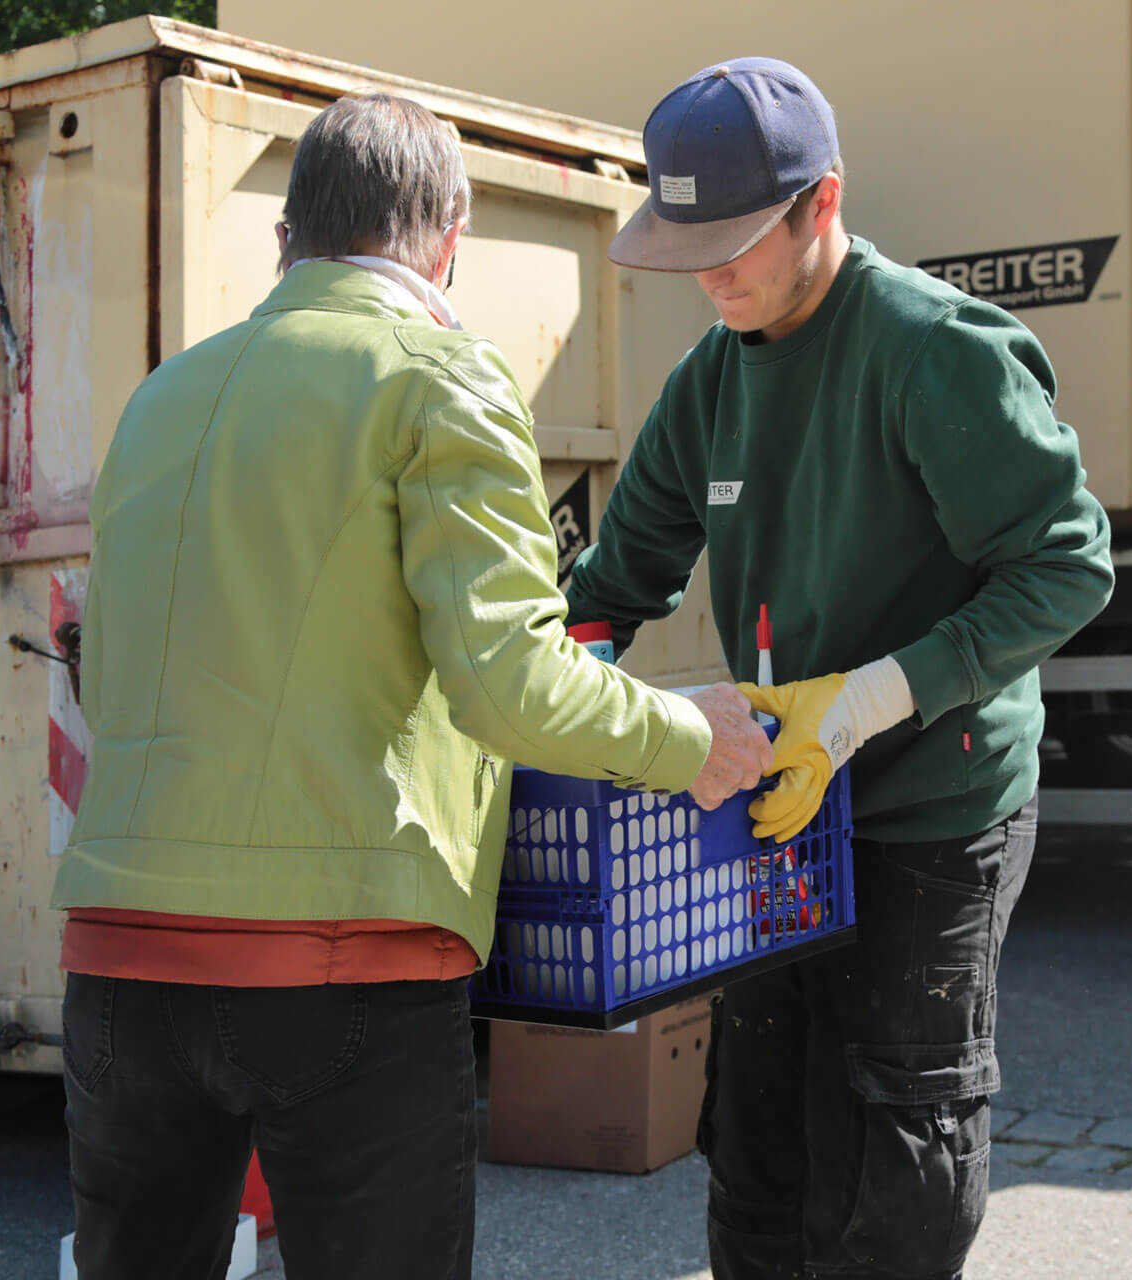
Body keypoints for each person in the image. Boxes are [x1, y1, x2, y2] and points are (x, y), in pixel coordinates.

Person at [49, 92, 771, 1280]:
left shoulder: (162, 398)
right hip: (343, 959)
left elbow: (109, 664)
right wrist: (690, 737)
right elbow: (509, 684)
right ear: (452, 237)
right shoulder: (442, 377)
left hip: (122, 959)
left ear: (287, 240)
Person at [566, 58, 1115, 1280]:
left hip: (932, 807)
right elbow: (610, 590)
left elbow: (1068, 569)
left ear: (823, 203)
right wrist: (523, 690)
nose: (711, 274)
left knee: (893, 1162)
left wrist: (869, 699)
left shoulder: (932, 350)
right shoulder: (710, 381)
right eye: (687, 241)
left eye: (737, 241)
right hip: (776, 811)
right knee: (759, 1145)